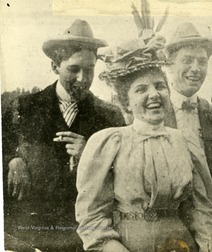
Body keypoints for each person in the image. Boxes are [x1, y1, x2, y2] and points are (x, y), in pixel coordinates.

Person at [75, 36, 212, 252]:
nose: (154, 94)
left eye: (160, 86)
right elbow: (92, 217)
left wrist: (207, 242)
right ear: (126, 103)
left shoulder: (184, 142)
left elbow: (200, 207)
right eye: (141, 89)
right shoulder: (111, 142)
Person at [2, 19, 126, 251]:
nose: (83, 79)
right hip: (31, 236)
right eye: (74, 69)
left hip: (86, 238)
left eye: (89, 70)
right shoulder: (23, 107)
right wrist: (12, 159)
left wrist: (90, 154)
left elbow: (124, 179)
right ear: (55, 66)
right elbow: (4, 145)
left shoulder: (110, 117)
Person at [165, 22, 212, 237]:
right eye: (187, 60)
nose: (195, 68)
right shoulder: (153, 109)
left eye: (202, 61)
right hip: (167, 221)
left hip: (208, 221)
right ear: (170, 65)